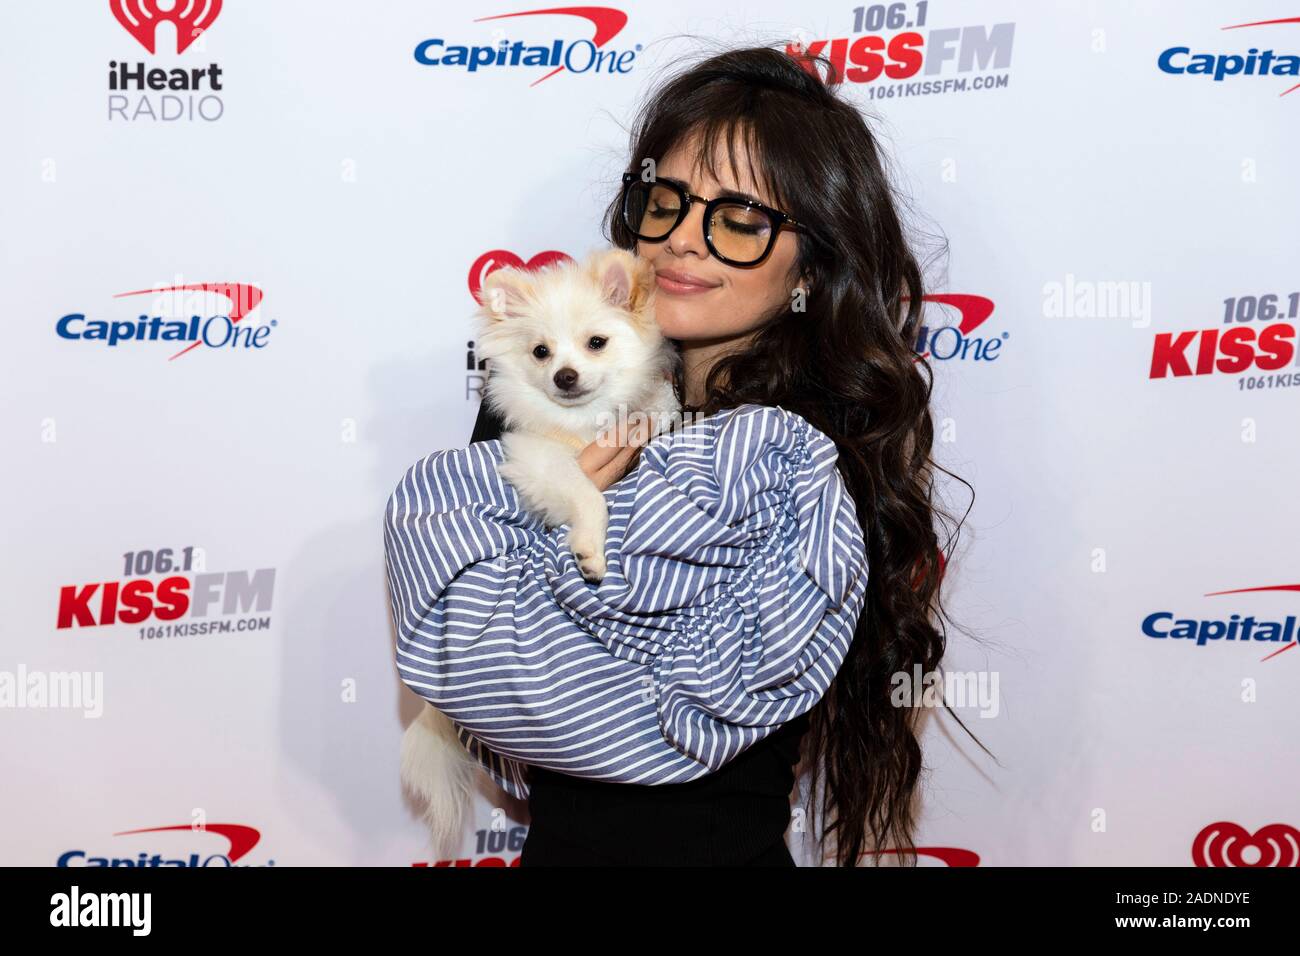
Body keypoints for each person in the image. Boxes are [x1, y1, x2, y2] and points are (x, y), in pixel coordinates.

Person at [460, 43, 977, 866]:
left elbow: (666, 707)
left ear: (813, 259)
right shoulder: (541, 395)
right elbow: (480, 674)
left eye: (740, 219)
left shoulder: (808, 450)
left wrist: (570, 553)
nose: (685, 242)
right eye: (665, 199)